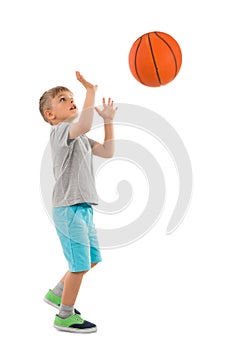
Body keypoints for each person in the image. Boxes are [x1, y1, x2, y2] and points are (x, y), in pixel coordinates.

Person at [39, 71, 117, 333]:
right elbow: (82, 125)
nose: (71, 101)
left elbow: (107, 151)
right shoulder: (60, 132)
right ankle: (64, 315)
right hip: (68, 208)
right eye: (63, 99)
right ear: (50, 115)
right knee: (79, 265)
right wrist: (90, 91)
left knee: (92, 259)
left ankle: (57, 294)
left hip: (83, 208)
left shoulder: (80, 138)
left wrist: (107, 121)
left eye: (73, 98)